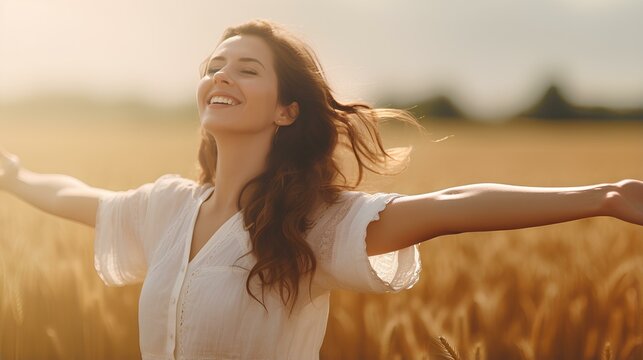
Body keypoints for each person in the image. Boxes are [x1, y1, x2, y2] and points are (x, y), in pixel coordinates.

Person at [0, 18, 641, 360]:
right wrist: (16, 176)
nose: (220, 75)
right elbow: (76, 196)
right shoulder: (166, 206)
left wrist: (605, 195)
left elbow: (448, 209)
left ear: (286, 110)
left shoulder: (314, 222)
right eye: (213, 66)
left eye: (246, 68)